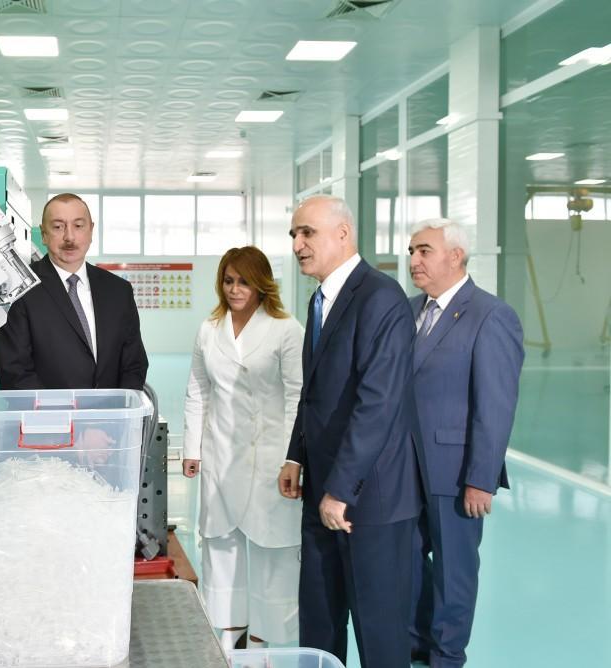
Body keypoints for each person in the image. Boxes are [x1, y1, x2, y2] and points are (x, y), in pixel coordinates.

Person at [278, 195, 423, 668]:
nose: (297, 244)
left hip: (369, 499)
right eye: (294, 234)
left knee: (379, 633)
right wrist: (297, 454)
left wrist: (340, 490)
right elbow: (315, 392)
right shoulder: (320, 300)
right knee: (319, 625)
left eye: (307, 233)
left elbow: (377, 404)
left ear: (343, 234)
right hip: (322, 488)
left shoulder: (381, 298)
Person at [406, 219, 524, 667]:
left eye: (424, 250)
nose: (413, 260)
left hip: (454, 471)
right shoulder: (409, 310)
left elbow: (495, 406)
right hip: (405, 467)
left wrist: (481, 479)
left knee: (454, 570)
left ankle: (447, 654)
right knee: (407, 560)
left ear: (455, 256)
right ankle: (417, 642)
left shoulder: (490, 315)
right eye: (412, 251)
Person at [182, 247, 304, 651]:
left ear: (261, 285)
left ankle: (266, 638)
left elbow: (298, 397)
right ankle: (227, 632)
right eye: (229, 280)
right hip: (220, 450)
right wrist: (192, 448)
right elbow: (198, 389)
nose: (235, 289)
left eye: (244, 282)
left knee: (273, 549)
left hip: (271, 456)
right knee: (221, 543)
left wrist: (293, 457)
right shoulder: (209, 329)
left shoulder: (286, 329)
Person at [0, 193, 148, 391]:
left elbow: (134, 364)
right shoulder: (18, 290)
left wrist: (118, 406)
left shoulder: (118, 291)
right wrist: (62, 409)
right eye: (58, 227)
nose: (69, 237)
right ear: (44, 234)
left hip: (111, 410)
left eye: (78, 225)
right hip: (47, 411)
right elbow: (14, 373)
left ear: (91, 230)